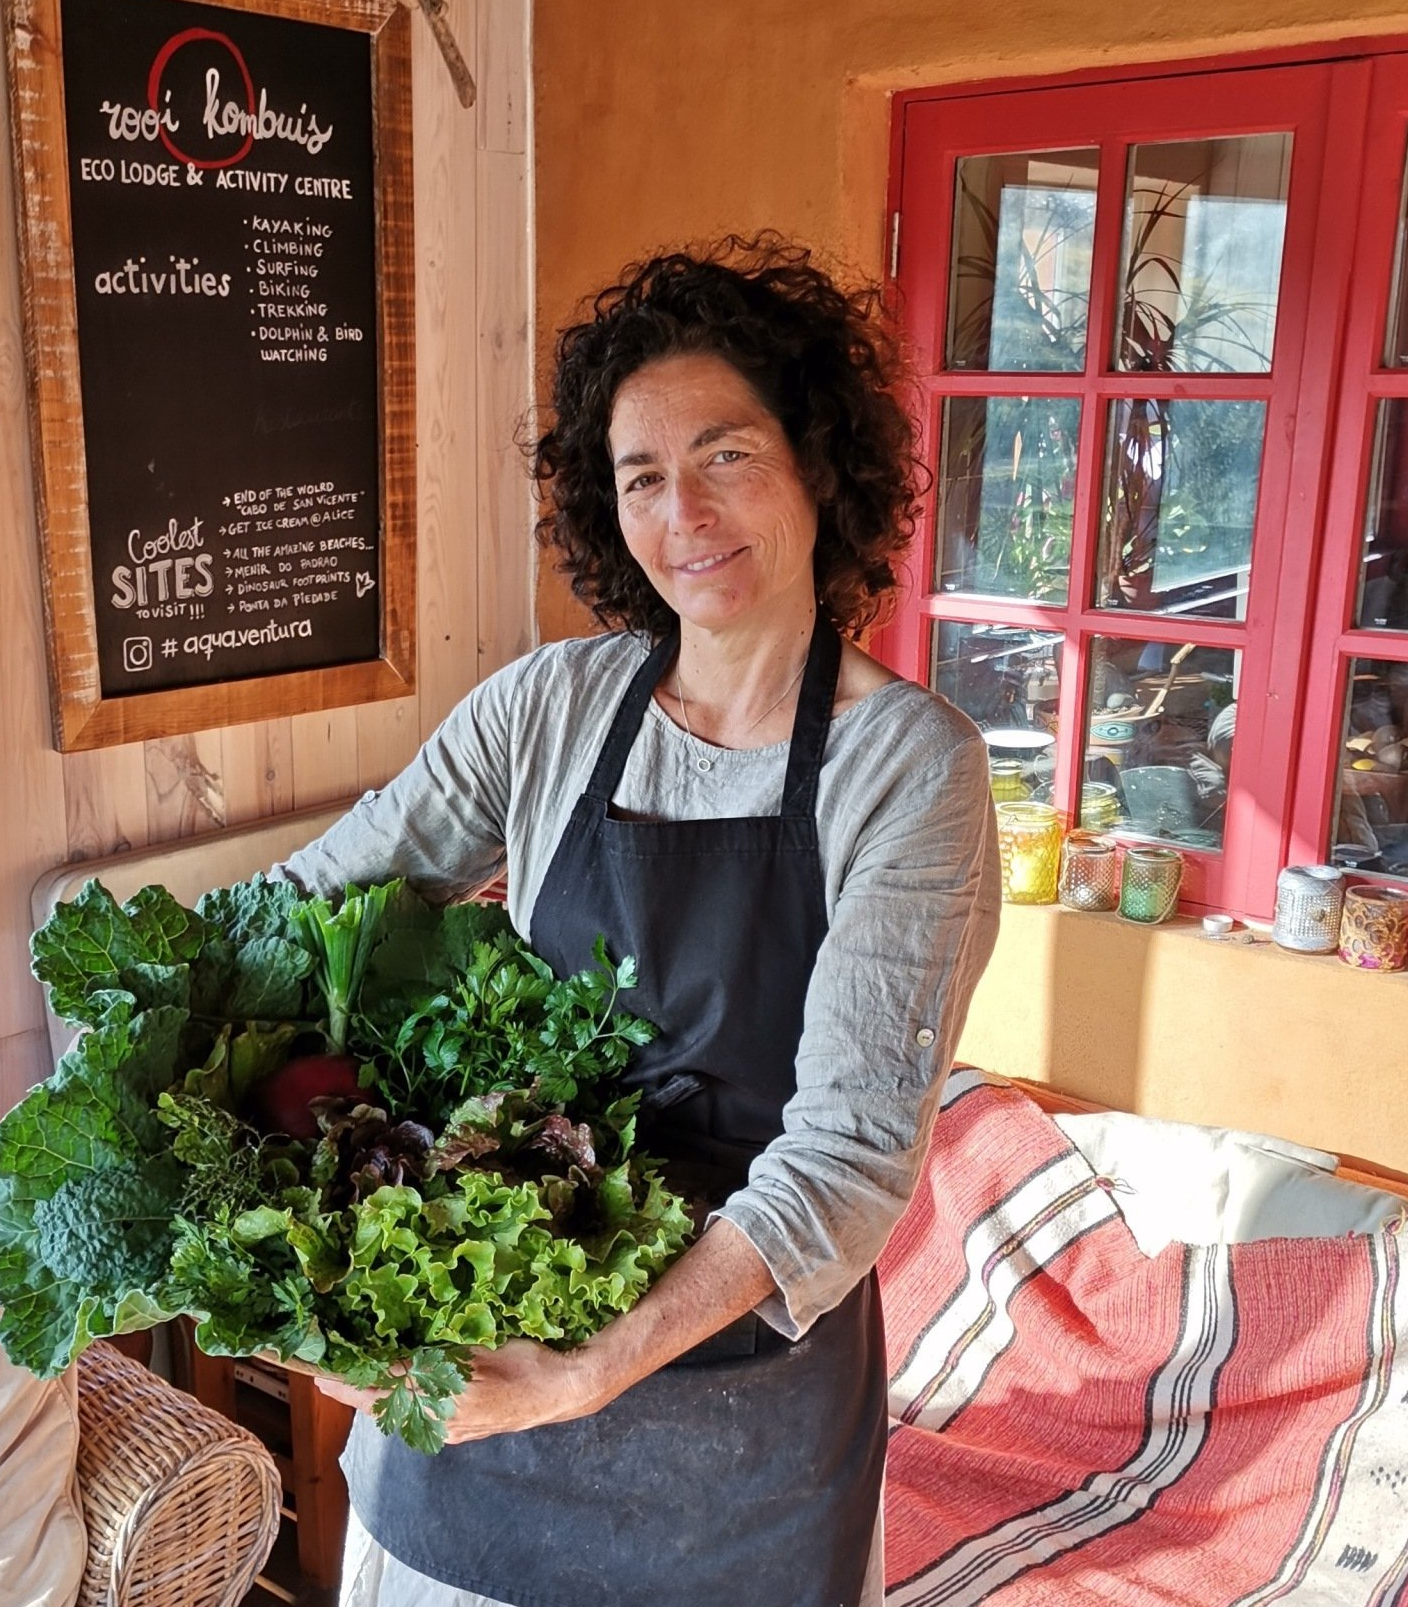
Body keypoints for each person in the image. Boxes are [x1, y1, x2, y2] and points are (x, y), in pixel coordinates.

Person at [281, 235, 1000, 1607]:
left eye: (728, 454)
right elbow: (319, 900)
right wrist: (143, 1026)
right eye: (642, 476)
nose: (686, 512)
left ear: (818, 464)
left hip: (736, 1428)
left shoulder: (911, 768)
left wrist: (586, 1371)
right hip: (487, 1358)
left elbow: (847, 1157)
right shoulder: (546, 708)